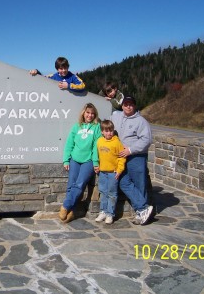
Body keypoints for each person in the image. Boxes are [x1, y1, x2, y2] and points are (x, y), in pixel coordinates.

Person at [111, 96, 153, 225]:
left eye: (130, 104)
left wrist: (130, 150)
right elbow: (106, 106)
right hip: (120, 157)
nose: (128, 106)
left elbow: (146, 140)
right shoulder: (116, 115)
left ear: (134, 106)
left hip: (136, 156)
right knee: (123, 182)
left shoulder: (141, 121)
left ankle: (142, 213)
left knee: (139, 183)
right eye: (125, 104)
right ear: (122, 106)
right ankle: (144, 208)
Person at [60, 103, 101, 223]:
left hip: (88, 161)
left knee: (79, 184)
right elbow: (69, 144)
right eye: (88, 112)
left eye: (92, 113)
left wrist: (95, 162)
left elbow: (95, 146)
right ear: (83, 113)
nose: (90, 115)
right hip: (74, 159)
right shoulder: (76, 126)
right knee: (71, 185)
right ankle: (71, 212)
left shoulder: (97, 127)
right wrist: (66, 159)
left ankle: (65, 206)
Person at [94, 120, 126, 225]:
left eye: (111, 130)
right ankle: (103, 211)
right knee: (103, 192)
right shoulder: (99, 141)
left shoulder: (117, 142)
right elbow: (96, 154)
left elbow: (122, 157)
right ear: (102, 132)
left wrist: (119, 169)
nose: (109, 133)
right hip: (102, 172)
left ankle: (110, 214)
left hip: (113, 173)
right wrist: (96, 164)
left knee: (112, 193)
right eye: (106, 131)